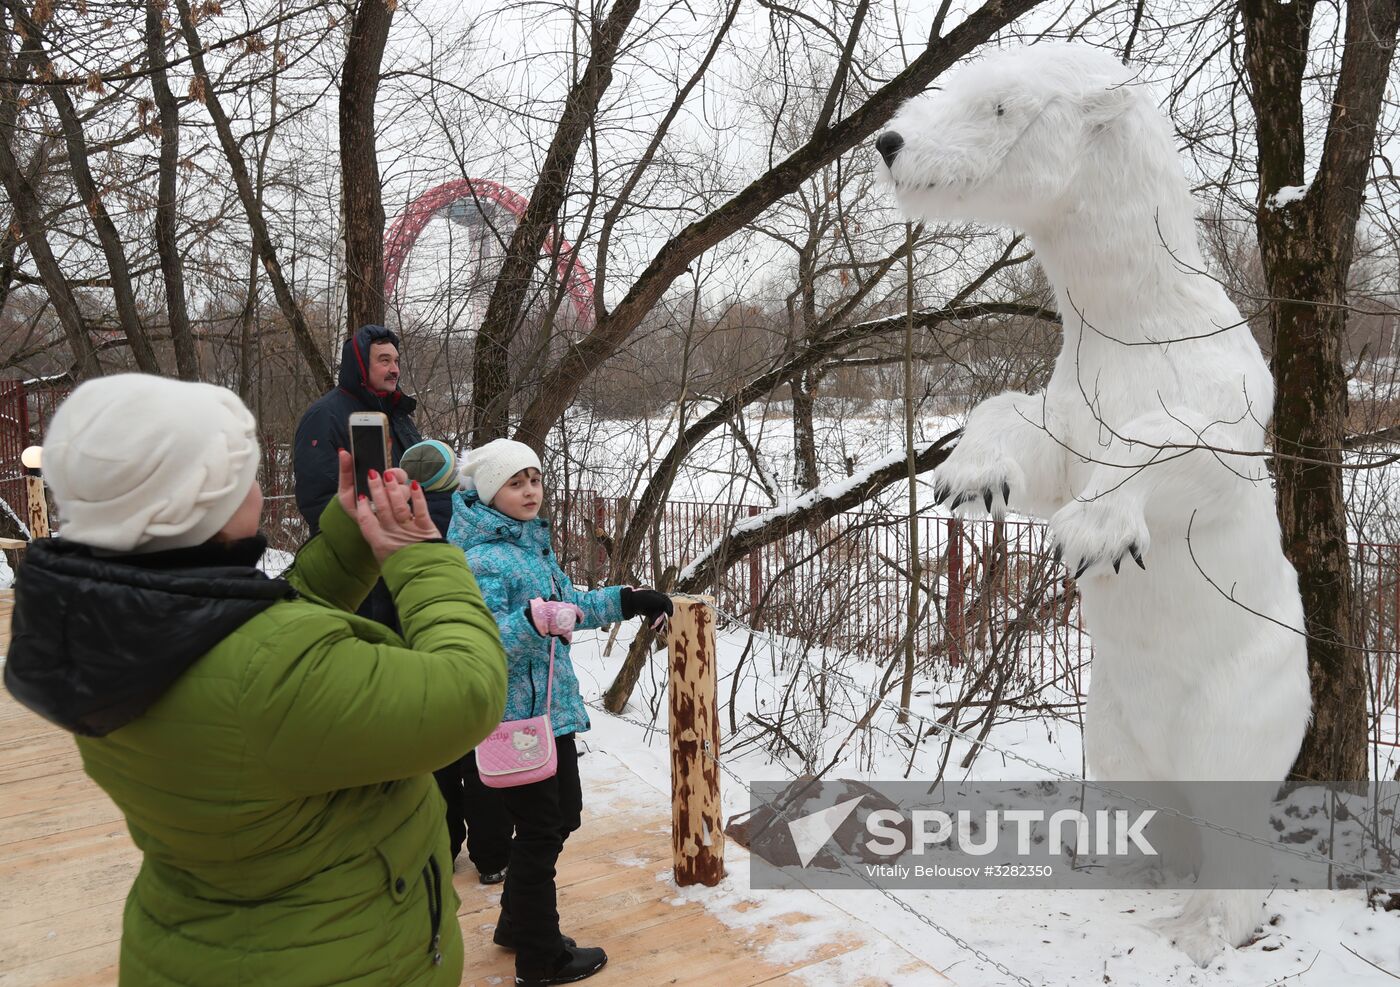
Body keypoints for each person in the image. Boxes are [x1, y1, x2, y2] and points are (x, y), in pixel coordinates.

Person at [3, 374, 508, 986]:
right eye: (242, 474)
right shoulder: (268, 672)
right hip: (332, 958)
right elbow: (468, 689)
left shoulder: (104, 626)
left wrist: (350, 536)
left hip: (208, 942)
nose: (259, 486)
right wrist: (420, 553)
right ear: (203, 499)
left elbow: (251, 628)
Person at [446, 438, 674, 987]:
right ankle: (539, 956)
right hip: (513, 717)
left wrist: (628, 599)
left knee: (560, 816)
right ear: (487, 490)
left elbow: (567, 607)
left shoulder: (529, 545)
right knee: (544, 826)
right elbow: (472, 640)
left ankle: (517, 925)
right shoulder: (478, 558)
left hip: (550, 711)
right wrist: (532, 622)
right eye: (515, 482)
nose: (530, 492)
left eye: (534, 480)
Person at [293, 324, 454, 620]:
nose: (394, 369)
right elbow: (317, 498)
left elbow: (415, 478)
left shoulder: (396, 413)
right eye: (384, 360)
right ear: (360, 365)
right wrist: (364, 530)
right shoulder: (325, 415)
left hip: (401, 555)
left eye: (396, 361)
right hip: (357, 565)